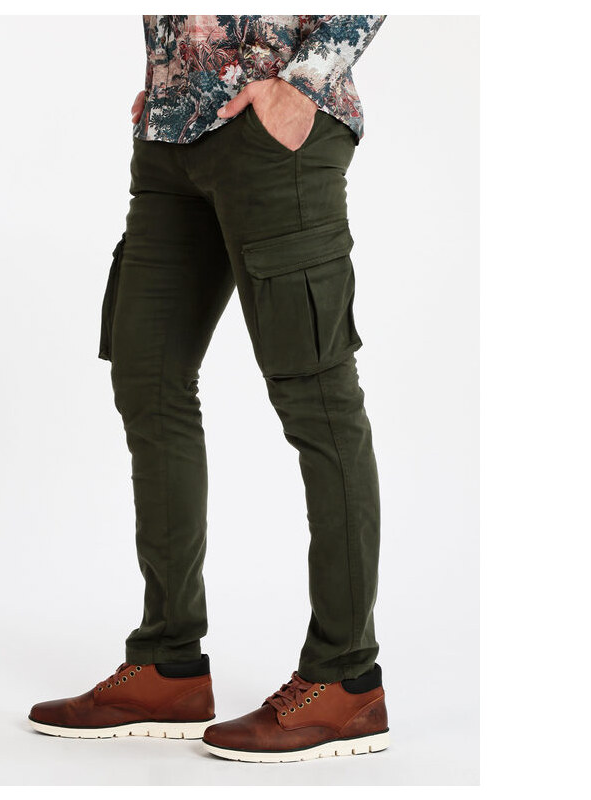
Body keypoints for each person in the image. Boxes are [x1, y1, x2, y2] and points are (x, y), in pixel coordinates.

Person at [29, 14, 389, 763]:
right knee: (147, 377)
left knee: (317, 400)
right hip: (170, 134)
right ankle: (169, 666)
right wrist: (167, 73)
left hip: (275, 132)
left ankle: (346, 679)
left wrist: (301, 84)